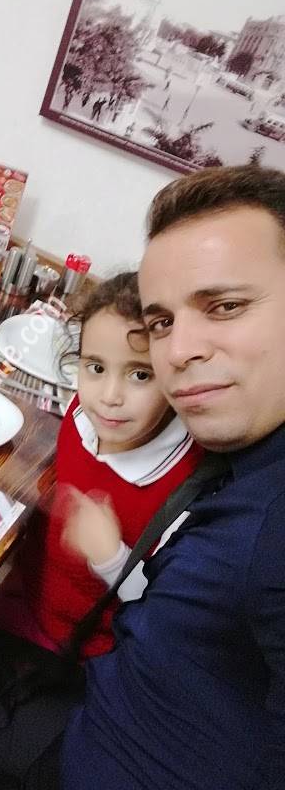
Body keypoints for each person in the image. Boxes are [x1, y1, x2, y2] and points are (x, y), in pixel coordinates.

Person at [61, 164, 285, 790]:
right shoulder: (241, 460)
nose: (178, 351)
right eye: (162, 322)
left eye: (226, 306)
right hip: (84, 704)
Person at [0, 272, 203, 660]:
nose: (109, 396)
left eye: (140, 374)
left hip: (81, 652)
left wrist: (110, 556)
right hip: (22, 591)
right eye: (96, 368)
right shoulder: (81, 413)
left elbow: (163, 616)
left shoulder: (187, 486)